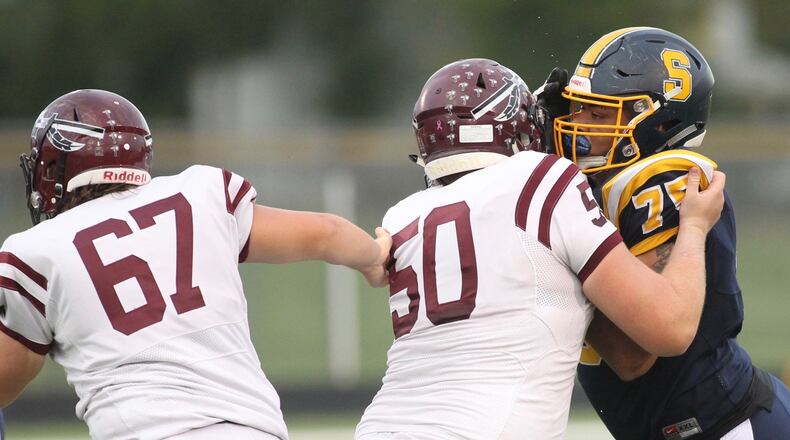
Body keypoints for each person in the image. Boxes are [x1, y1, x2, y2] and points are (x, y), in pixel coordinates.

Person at [355, 58, 725, 440]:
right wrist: (694, 227)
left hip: (381, 427)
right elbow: (671, 328)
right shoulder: (541, 178)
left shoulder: (402, 215)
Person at [0, 89, 390, 440]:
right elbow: (326, 232)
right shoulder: (199, 193)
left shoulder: (37, 250)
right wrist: (375, 260)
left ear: (53, 168)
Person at [539, 26, 790, 440]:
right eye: (577, 109)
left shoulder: (663, 179)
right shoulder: (598, 185)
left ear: (658, 122)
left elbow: (632, 354)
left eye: (598, 114)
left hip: (727, 427)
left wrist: (554, 263)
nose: (577, 126)